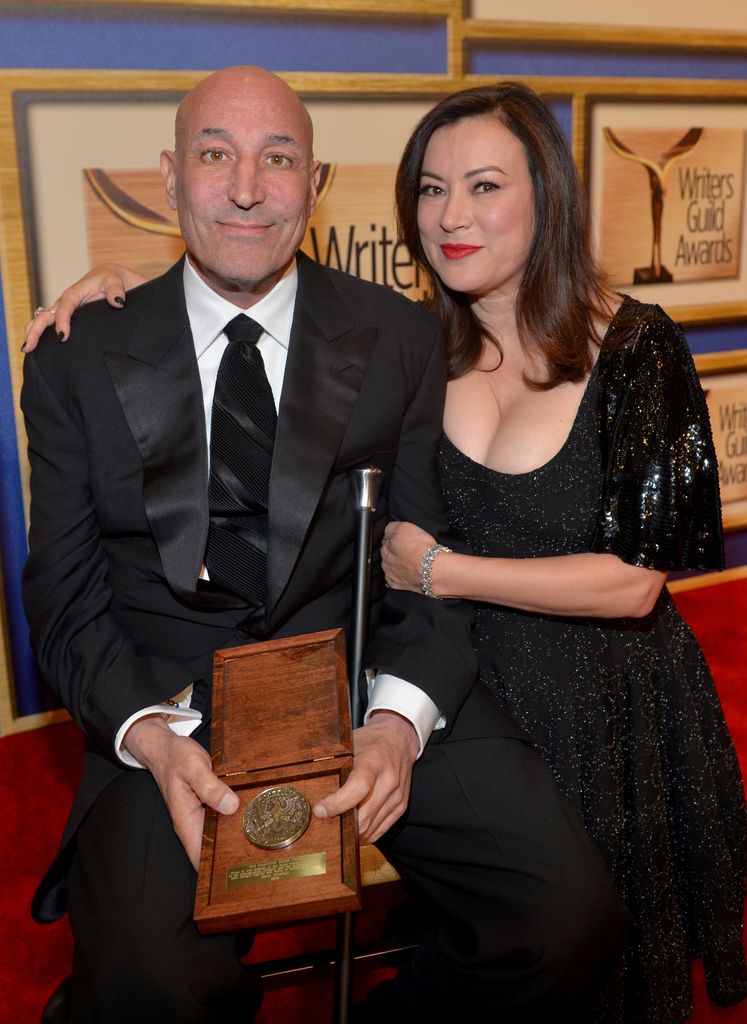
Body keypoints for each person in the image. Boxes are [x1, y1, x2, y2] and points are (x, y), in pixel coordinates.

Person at [20, 68, 628, 1024]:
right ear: (171, 177)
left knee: (565, 918)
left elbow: (424, 558)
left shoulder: (397, 337)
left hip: (355, 678)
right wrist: (146, 735)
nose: (246, 189)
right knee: (151, 988)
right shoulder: (74, 354)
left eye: (278, 159)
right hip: (166, 699)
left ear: (315, 183)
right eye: (215, 155)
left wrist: (397, 722)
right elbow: (63, 593)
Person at [379, 83, 747, 1024]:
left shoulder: (634, 346)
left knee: (594, 962)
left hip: (604, 705)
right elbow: (271, 300)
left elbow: (632, 585)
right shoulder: (412, 343)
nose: (450, 216)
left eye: (483, 185)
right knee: (490, 950)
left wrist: (440, 570)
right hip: (462, 697)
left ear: (545, 195)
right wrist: (117, 293)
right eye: (430, 189)